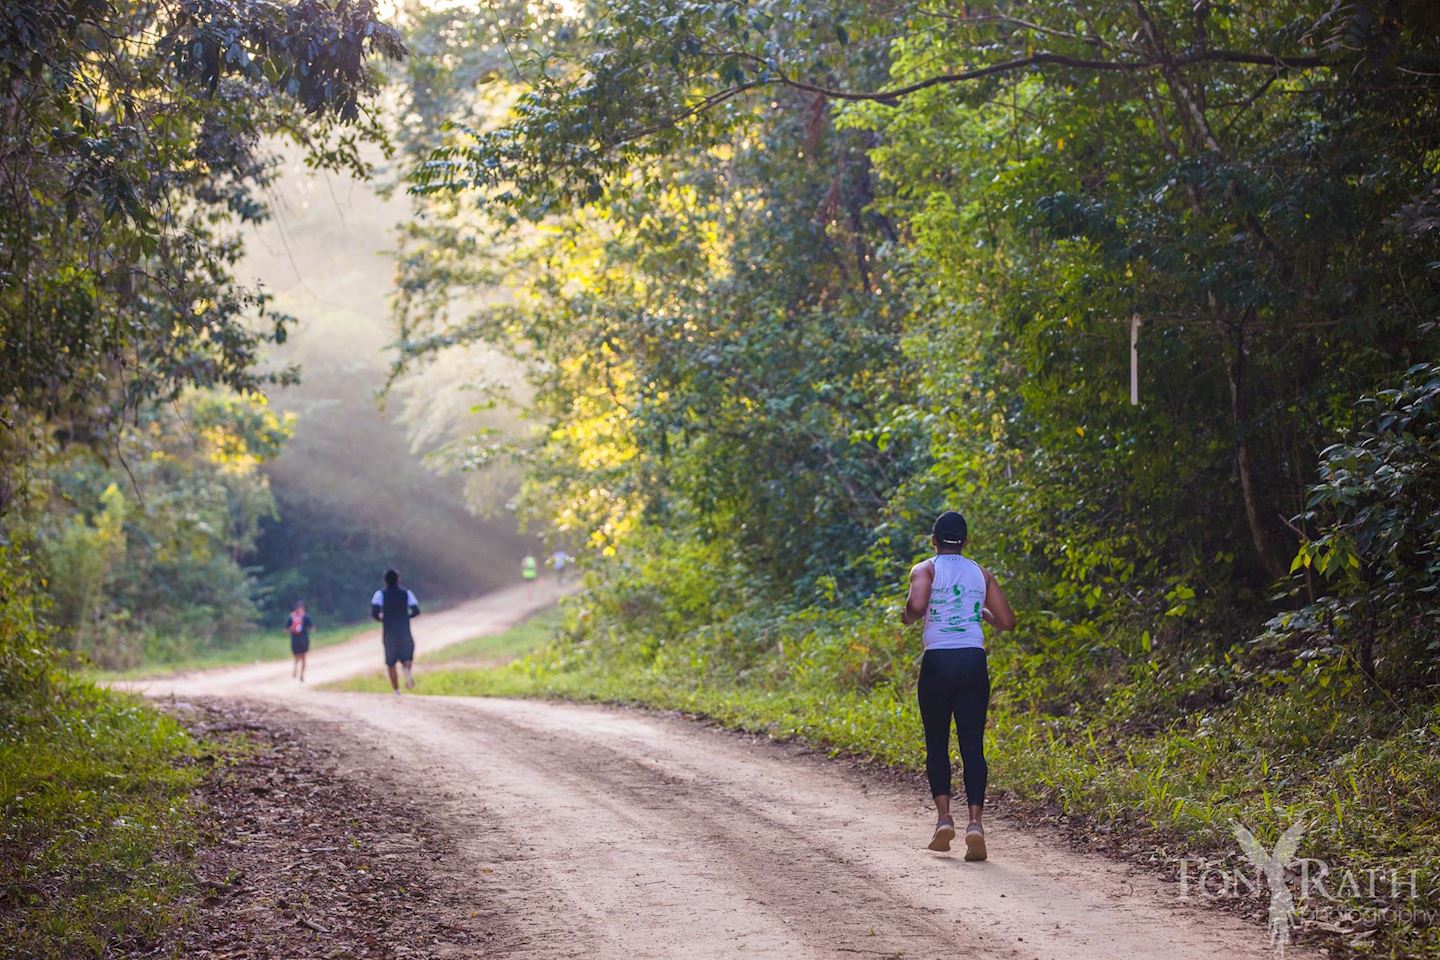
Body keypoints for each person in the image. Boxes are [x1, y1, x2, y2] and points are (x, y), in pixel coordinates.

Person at [900, 510, 1015, 861]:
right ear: (965, 541)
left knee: (936, 742)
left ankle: (944, 819)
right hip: (972, 662)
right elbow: (1007, 622)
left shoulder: (926, 569)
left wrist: (906, 615)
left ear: (934, 540)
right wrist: (979, 611)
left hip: (938, 663)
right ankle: (976, 824)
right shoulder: (981, 573)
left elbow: (917, 605)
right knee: (972, 745)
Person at [370, 569, 421, 694]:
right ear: (398, 579)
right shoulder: (406, 593)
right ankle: (406, 668)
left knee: (391, 662)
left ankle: (396, 690)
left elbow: (374, 612)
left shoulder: (380, 594)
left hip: (389, 631)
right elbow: (416, 610)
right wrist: (406, 617)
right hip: (404, 629)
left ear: (385, 580)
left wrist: (382, 618)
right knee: (407, 655)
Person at [286, 601, 313, 682]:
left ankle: (301, 674)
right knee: (298, 657)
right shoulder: (292, 617)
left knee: (302, 657)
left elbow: (311, 627)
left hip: (301, 639)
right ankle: (297, 671)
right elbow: (286, 628)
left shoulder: (305, 617)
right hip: (297, 639)